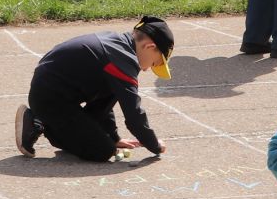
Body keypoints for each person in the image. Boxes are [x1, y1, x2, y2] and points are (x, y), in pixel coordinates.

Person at [16, 17, 174, 160]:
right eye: (155, 63)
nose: (147, 69)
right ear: (149, 46)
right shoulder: (123, 60)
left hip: (54, 95)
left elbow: (108, 97)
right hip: (50, 100)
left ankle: (52, 124)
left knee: (104, 137)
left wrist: (114, 137)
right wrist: (154, 145)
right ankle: (38, 122)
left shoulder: (117, 44)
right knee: (103, 151)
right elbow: (134, 114)